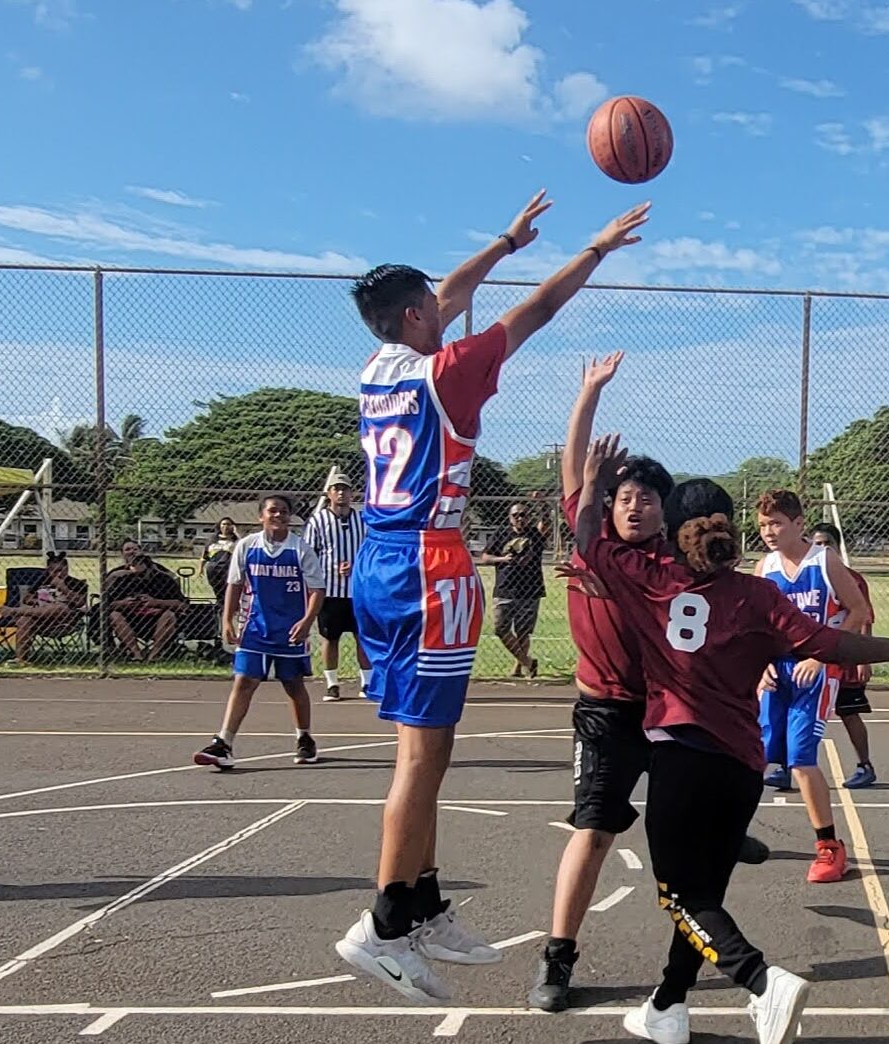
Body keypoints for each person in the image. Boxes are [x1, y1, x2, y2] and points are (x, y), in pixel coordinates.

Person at [334, 191, 652, 1004]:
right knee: (424, 755)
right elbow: (537, 311)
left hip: (380, 558)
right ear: (414, 317)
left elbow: (448, 291)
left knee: (425, 751)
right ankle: (382, 924)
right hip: (430, 566)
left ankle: (423, 901)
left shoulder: (378, 366)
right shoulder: (448, 369)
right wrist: (596, 249)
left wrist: (506, 240)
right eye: (432, 307)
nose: (447, 310)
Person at [573, 434, 889, 1044]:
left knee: (680, 898)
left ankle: (762, 982)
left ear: (673, 532)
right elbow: (827, 643)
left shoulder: (648, 577)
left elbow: (587, 540)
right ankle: (668, 1005)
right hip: (742, 769)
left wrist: (597, 484)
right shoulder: (758, 594)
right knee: (704, 892)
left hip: (681, 758)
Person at [528, 353, 771, 1014]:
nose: (634, 506)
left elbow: (730, 607)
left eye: (648, 499)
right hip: (607, 713)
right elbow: (576, 462)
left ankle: (722, 842)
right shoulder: (590, 545)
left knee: (692, 835)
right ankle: (557, 956)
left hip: (673, 714)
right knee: (596, 830)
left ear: (665, 512)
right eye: (624, 496)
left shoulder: (677, 561)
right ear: (608, 503)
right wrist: (588, 392)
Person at [752, 489, 872, 885]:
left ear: (799, 524)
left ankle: (829, 847)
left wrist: (822, 656)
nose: (769, 532)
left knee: (802, 758)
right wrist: (760, 664)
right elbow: (756, 626)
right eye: (763, 525)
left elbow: (858, 610)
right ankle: (730, 831)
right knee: (755, 755)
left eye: (777, 524)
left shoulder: (824, 561)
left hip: (815, 673)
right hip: (776, 671)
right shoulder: (764, 567)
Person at [195, 494, 326, 770]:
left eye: (283, 512)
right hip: (255, 627)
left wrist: (306, 621)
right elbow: (235, 584)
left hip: (290, 629)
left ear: (290, 517)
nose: (278, 515)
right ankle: (224, 742)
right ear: (261, 516)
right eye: (272, 511)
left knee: (293, 684)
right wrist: (227, 620)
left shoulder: (300, 549)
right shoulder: (247, 546)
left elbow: (317, 590)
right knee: (244, 682)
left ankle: (304, 738)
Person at [810, 523, 878, 789]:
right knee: (799, 711)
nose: (823, 548)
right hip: (815, 657)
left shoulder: (852, 578)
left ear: (837, 547)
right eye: (817, 543)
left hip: (845, 654)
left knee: (849, 712)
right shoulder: (810, 576)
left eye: (828, 543)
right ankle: (785, 765)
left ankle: (865, 764)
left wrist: (864, 658)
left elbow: (865, 618)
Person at [303, 467, 371, 702]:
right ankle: (332, 684)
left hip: (358, 590)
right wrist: (328, 570)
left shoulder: (363, 520)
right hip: (329, 590)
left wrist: (356, 566)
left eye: (345, 489)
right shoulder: (318, 521)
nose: (341, 493)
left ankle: (367, 682)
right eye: (336, 489)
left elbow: (371, 551)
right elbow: (309, 554)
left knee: (362, 636)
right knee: (329, 638)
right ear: (329, 493)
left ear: (352, 494)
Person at [479, 501, 546, 677]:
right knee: (500, 628)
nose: (519, 518)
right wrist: (503, 559)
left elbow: (545, 524)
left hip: (530, 589)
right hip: (505, 588)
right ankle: (528, 662)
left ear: (529, 517)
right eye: (515, 515)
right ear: (510, 518)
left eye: (523, 515)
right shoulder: (501, 533)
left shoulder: (534, 535)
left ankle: (519, 667)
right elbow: (485, 557)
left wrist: (543, 504)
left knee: (523, 631)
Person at [0, 551, 89, 665]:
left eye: (62, 570)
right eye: (55, 571)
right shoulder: (41, 581)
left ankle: (13, 611)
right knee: (25, 620)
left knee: (60, 608)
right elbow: (27, 599)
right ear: (49, 570)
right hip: (41, 620)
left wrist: (62, 587)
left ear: (67, 569)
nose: (59, 574)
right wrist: (41, 602)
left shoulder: (77, 583)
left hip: (65, 620)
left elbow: (79, 602)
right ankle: (21, 659)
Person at [104, 541, 186, 662]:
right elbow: (105, 604)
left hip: (156, 618)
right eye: (128, 549)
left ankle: (154, 654)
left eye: (135, 549)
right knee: (114, 615)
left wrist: (156, 602)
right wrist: (123, 603)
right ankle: (136, 654)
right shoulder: (117, 576)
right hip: (129, 618)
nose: (132, 552)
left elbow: (181, 604)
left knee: (170, 615)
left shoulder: (161, 576)